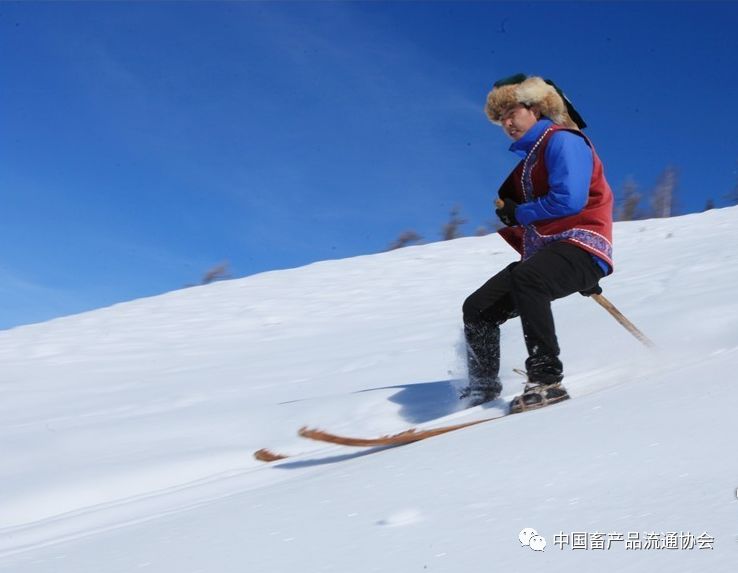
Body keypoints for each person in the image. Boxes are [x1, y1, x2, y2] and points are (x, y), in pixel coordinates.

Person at [461, 74, 614, 413]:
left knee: (527, 277)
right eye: (500, 118)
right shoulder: (530, 161)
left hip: (583, 245)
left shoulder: (564, 141)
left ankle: (547, 379)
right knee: (478, 308)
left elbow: (570, 201)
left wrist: (521, 212)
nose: (506, 122)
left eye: (511, 112)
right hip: (553, 254)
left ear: (536, 107)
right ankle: (482, 388)